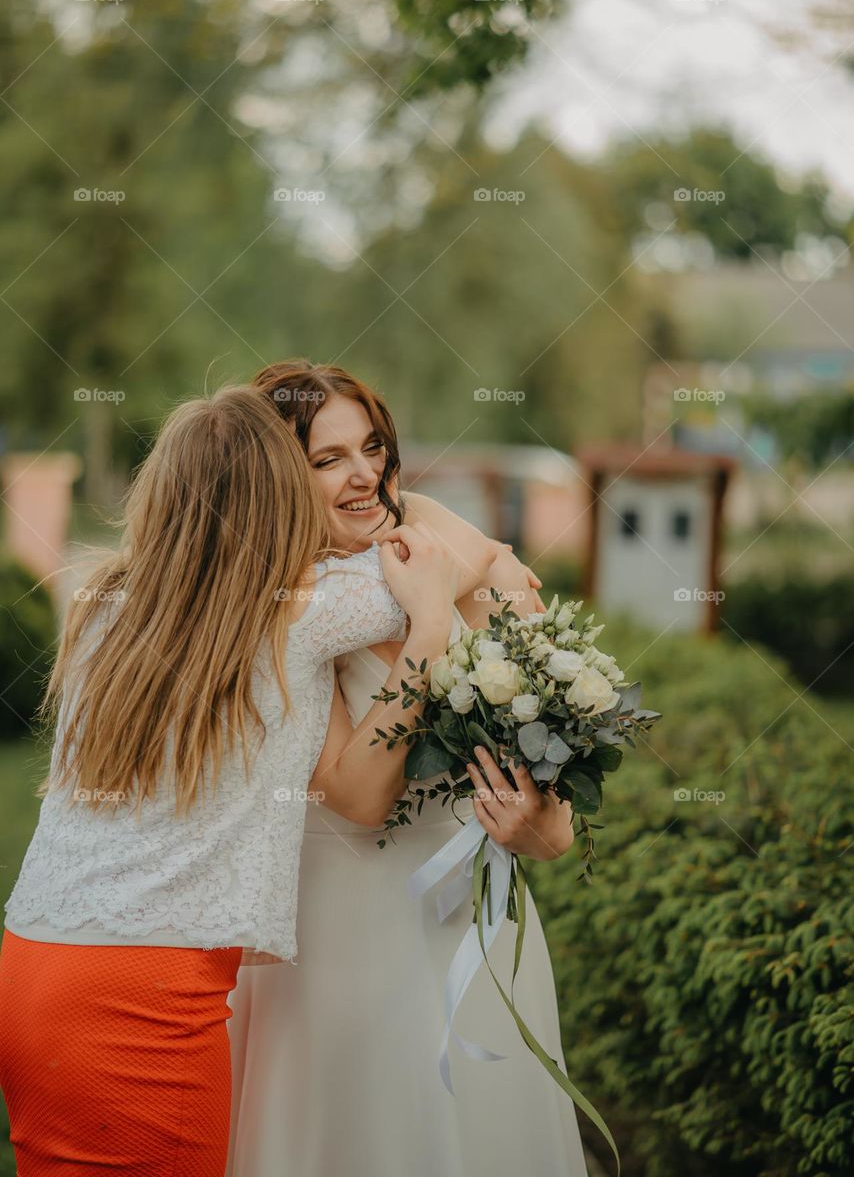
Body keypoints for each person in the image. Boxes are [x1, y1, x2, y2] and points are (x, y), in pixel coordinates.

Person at [0, 385, 460, 1177]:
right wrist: (430, 628)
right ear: (276, 502)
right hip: (143, 993)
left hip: (34, 959)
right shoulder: (302, 611)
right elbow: (452, 563)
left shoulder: (107, 603)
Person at [226, 362, 587, 1177]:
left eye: (373, 446)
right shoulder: (269, 602)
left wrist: (550, 826)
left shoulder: (420, 518)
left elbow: (535, 676)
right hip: (345, 930)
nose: (365, 476)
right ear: (277, 474)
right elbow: (357, 793)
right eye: (328, 460)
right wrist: (449, 598)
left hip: (481, 922)